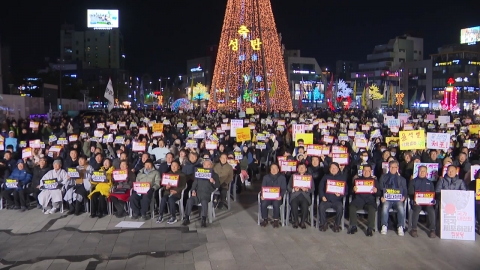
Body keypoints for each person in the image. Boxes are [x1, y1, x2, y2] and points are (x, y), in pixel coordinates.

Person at [182, 159, 220, 228]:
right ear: (203, 165)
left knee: (204, 202)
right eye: (205, 165)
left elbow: (217, 186)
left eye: (208, 165)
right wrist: (193, 190)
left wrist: (213, 181)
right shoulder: (199, 174)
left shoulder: (215, 175)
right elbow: (194, 184)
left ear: (211, 166)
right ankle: (187, 218)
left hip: (206, 194)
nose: (206, 166)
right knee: (189, 200)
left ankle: (203, 220)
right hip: (197, 194)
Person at [348, 164, 379, 236]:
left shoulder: (374, 181)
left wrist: (376, 191)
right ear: (362, 171)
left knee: (372, 209)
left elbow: (379, 193)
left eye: (368, 171)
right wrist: (353, 190)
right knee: (351, 207)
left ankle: (370, 228)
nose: (366, 172)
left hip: (370, 201)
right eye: (365, 171)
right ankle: (353, 226)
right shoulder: (357, 180)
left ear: (371, 172)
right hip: (358, 200)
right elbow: (350, 191)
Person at [379, 160, 408, 236]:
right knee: (385, 206)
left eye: (395, 167)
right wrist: (381, 197)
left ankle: (401, 226)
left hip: (397, 199)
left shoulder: (402, 179)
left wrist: (404, 197)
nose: (393, 169)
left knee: (400, 207)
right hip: (387, 199)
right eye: (392, 167)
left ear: (397, 168)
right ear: (389, 167)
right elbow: (380, 189)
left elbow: (405, 190)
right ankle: (384, 225)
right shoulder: (383, 177)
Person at [408, 166, 436, 238]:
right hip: (417, 202)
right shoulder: (413, 181)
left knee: (431, 210)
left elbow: (432, 194)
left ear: (426, 173)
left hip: (427, 203)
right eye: (420, 171)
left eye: (424, 171)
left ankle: (432, 230)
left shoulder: (430, 183)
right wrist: (414, 200)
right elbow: (410, 193)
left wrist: (432, 200)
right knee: (416, 209)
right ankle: (414, 229)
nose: (422, 172)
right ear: (418, 172)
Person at [318, 162, 347, 232]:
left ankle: (337, 225)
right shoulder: (325, 177)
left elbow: (346, 191)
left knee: (340, 208)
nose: (333, 169)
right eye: (332, 168)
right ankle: (323, 224)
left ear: (338, 169)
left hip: (337, 200)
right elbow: (320, 188)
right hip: (326, 200)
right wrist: (322, 196)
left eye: (335, 168)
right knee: (321, 207)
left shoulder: (342, 178)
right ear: (329, 169)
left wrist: (341, 195)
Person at [259, 163, 287, 228]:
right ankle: (265, 219)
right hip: (267, 197)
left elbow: (284, 189)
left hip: (277, 197)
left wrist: (281, 196)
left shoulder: (282, 178)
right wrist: (262, 195)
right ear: (270, 169)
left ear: (278, 169)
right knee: (263, 203)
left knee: (276, 204)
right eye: (272, 168)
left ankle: (276, 220)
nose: (273, 170)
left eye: (275, 168)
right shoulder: (266, 177)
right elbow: (263, 187)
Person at [287, 163, 314, 229]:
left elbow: (313, 189)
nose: (301, 169)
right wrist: (294, 189)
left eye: (303, 167)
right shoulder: (293, 176)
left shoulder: (309, 177)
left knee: (305, 205)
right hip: (295, 196)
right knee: (294, 204)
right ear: (297, 169)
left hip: (305, 196)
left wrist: (307, 189)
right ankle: (296, 221)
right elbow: (288, 187)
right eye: (300, 167)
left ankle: (302, 222)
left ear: (306, 169)